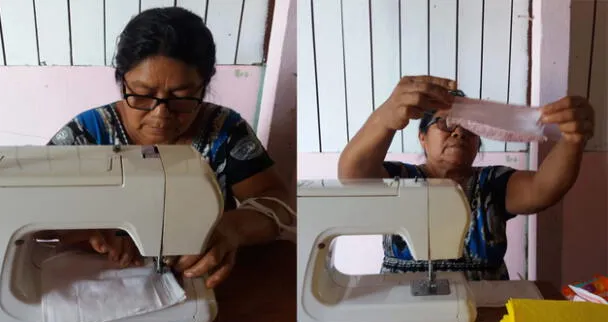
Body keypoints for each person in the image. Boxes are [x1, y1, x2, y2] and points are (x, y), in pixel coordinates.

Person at [38, 7, 294, 289]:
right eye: (143, 95)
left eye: (182, 98)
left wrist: (230, 229)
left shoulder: (225, 131)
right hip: (98, 282)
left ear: (204, 86)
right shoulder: (87, 134)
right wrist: (84, 229)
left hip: (205, 279)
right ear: (122, 81)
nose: (161, 115)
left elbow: (278, 203)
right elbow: (34, 211)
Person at [338, 75, 595, 280]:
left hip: (485, 310)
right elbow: (353, 178)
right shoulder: (400, 179)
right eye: (446, 124)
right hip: (402, 308)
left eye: (470, 129)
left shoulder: (493, 182)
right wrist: (385, 117)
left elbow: (544, 188)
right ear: (422, 137)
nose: (459, 134)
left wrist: (573, 140)